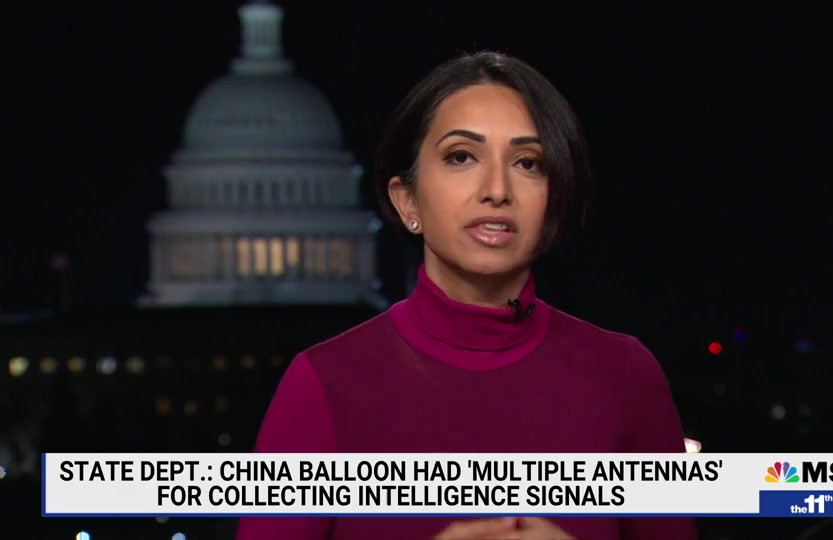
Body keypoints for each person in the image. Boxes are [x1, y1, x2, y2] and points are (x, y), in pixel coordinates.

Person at [236, 51, 697, 540]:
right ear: (407, 200)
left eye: (528, 163)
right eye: (461, 157)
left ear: (554, 201)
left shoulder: (625, 377)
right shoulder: (321, 385)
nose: (496, 190)